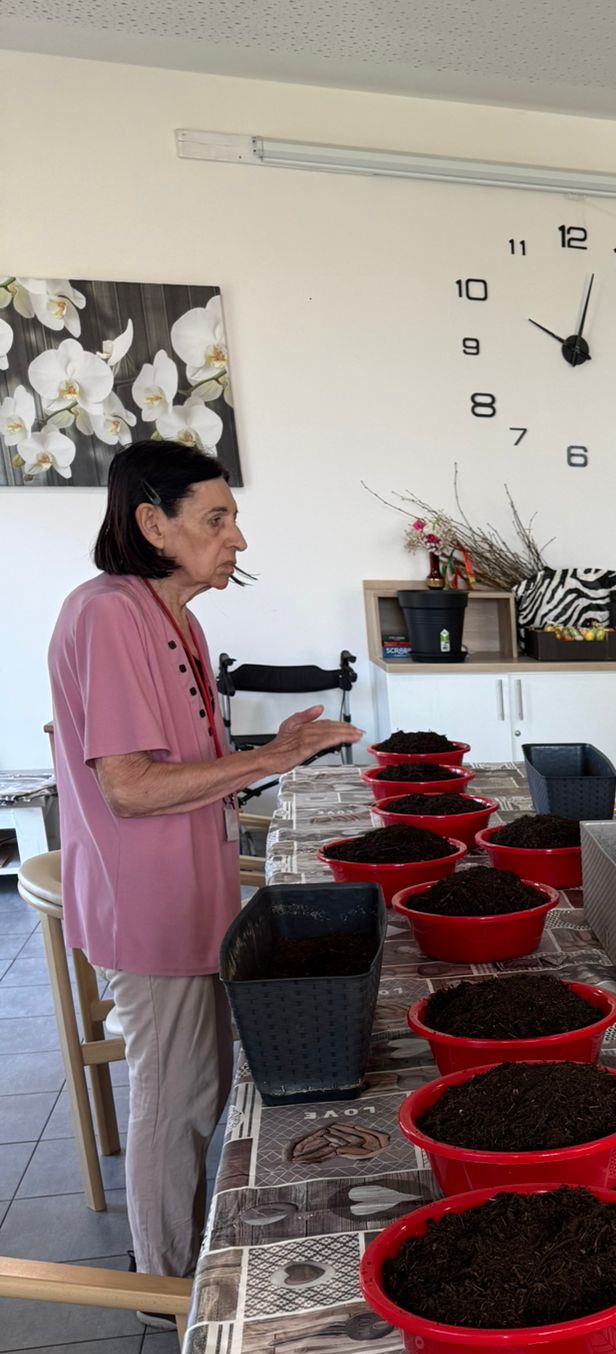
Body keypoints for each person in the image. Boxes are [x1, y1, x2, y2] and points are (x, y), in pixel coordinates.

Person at [48, 442, 360, 1283]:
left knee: (200, 1087)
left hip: (193, 894)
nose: (237, 540)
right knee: (176, 1099)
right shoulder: (108, 614)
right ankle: (165, 1286)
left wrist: (268, 751)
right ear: (153, 524)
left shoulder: (177, 618)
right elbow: (130, 787)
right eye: (217, 519)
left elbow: (186, 770)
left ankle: (177, 1262)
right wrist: (267, 760)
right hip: (147, 905)